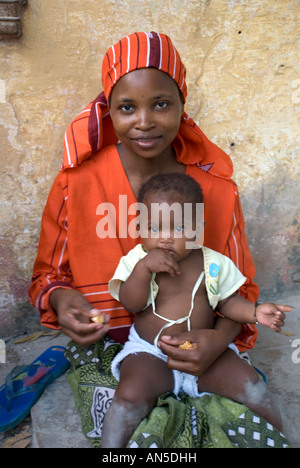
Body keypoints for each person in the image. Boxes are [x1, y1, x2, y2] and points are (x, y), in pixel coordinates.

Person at [29, 32, 287, 446]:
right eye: (127, 107)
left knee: (251, 403)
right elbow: (48, 277)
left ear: (183, 106)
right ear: (108, 111)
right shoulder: (75, 183)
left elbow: (240, 287)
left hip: (201, 342)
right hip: (114, 347)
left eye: (161, 104)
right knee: (124, 414)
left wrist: (218, 340)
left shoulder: (215, 189)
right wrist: (62, 301)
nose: (144, 121)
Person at [101, 172, 290, 447]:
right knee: (130, 394)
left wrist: (255, 312)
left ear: (197, 230)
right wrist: (143, 270)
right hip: (151, 352)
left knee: (251, 384)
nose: (165, 239)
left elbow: (227, 303)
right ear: (140, 227)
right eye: (154, 229)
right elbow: (132, 303)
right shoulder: (136, 261)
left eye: (178, 229)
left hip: (205, 352)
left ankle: (288, 436)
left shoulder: (214, 264)